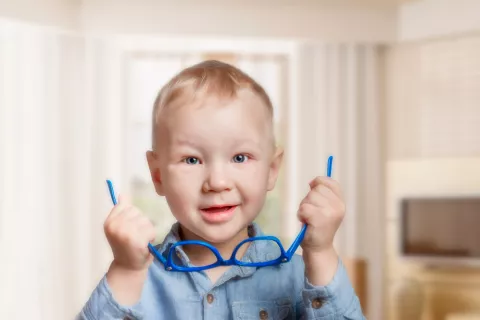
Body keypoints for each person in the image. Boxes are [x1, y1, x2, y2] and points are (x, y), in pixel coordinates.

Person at [78, 60, 366, 319]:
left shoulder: (300, 276)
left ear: (271, 170)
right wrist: (126, 272)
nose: (216, 182)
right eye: (192, 159)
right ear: (158, 175)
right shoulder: (136, 280)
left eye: (240, 158)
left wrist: (321, 252)